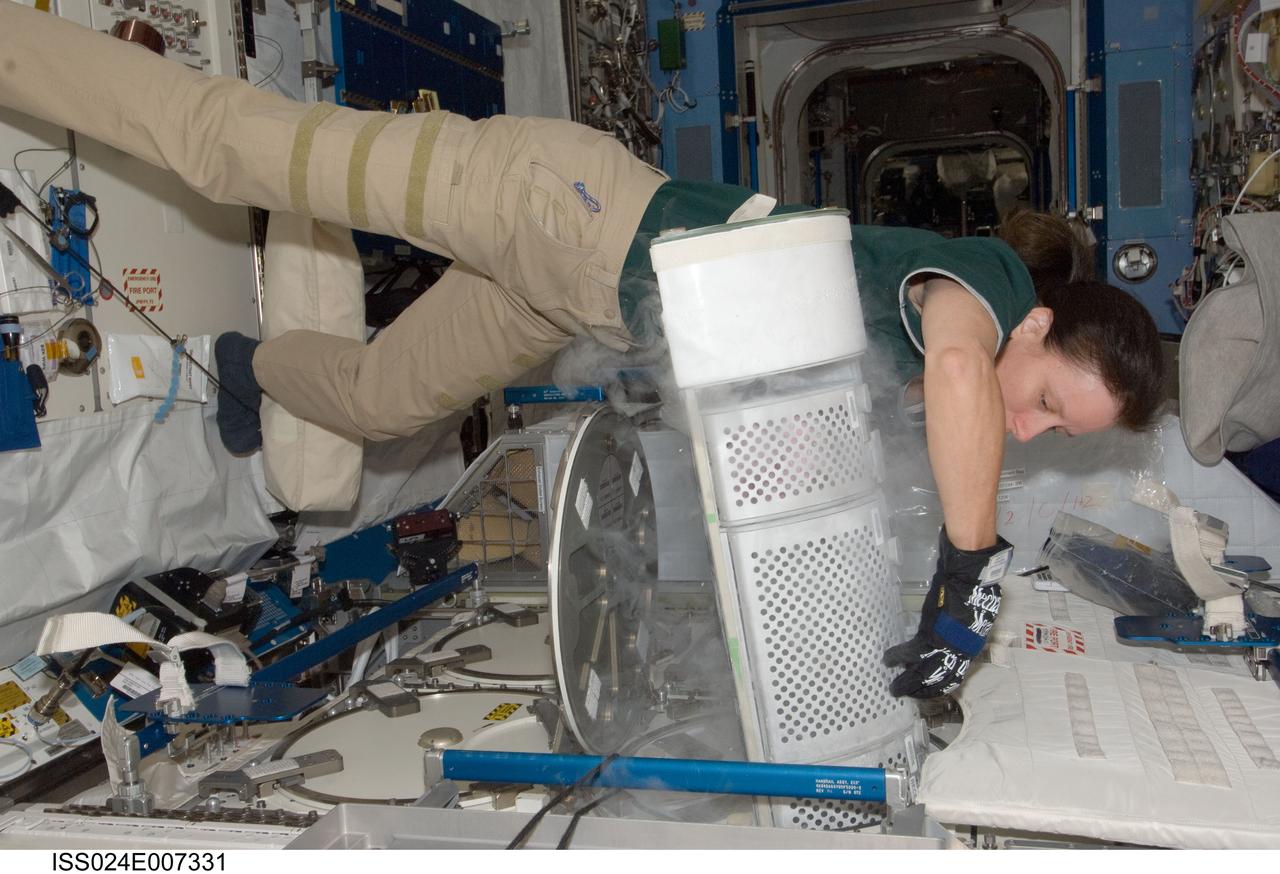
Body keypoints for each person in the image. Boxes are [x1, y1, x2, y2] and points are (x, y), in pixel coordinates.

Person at [0, 1, 1163, 699]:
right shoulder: (991, 289)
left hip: (571, 298)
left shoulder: (936, 346)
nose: (1030, 431)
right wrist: (968, 577)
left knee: (369, 401)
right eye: (1049, 403)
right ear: (1037, 328)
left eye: (1056, 436)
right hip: (555, 207)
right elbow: (967, 382)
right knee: (226, 152)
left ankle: (247, 364)